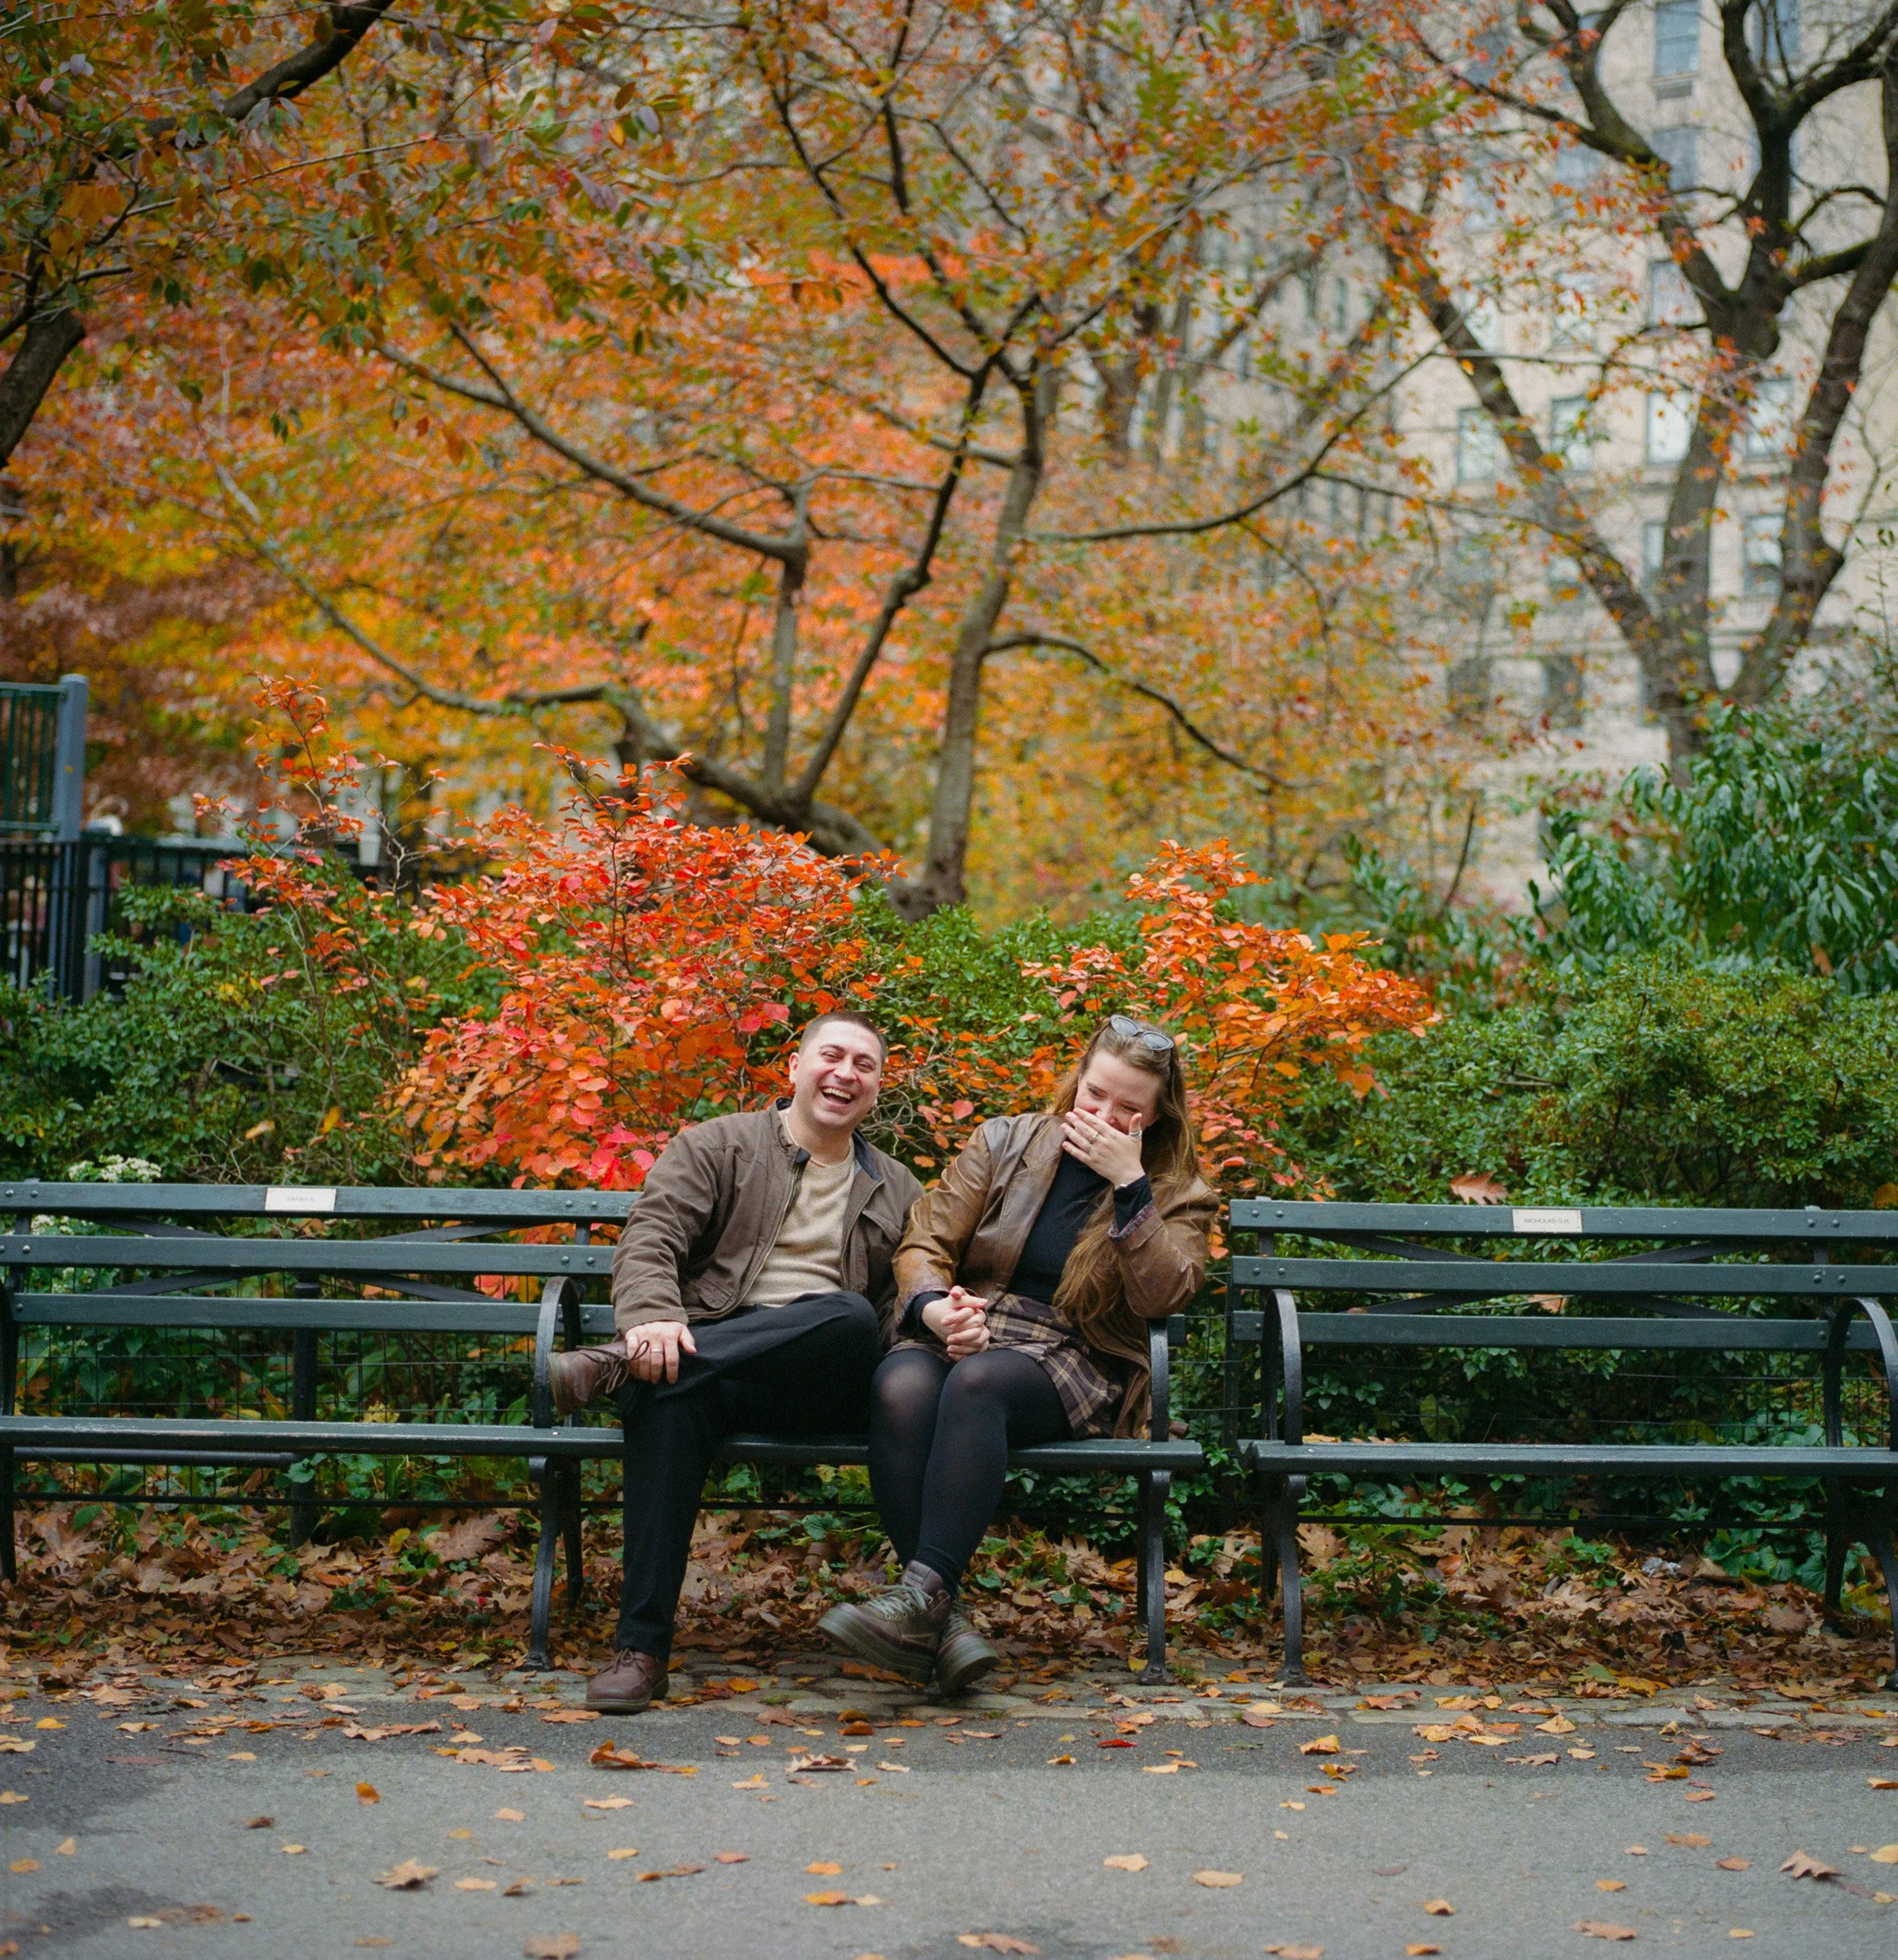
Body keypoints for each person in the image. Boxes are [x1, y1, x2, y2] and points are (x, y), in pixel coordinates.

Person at [819, 1014, 1216, 1690]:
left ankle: (918, 1601)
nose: (1103, 1115)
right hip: (969, 1323)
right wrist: (935, 1308)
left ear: (1156, 1117)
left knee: (977, 1384)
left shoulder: (1177, 1190)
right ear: (1075, 1081)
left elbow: (1163, 1298)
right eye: (1094, 1095)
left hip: (1074, 1354)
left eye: (1128, 1109)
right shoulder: (1004, 1141)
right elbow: (925, 1243)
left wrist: (1131, 1189)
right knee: (900, 1385)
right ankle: (939, 1618)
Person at [546, 1012, 922, 1714]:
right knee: (669, 1395)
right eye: (831, 1056)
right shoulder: (717, 1146)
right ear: (795, 1066)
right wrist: (653, 1318)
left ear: (875, 1089)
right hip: (710, 1356)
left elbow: (905, 1297)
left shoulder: (896, 1188)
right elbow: (651, 1236)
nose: (845, 1074)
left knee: (842, 1315)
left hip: (821, 1376)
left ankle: (614, 1364)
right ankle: (642, 1652)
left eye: (864, 1065)